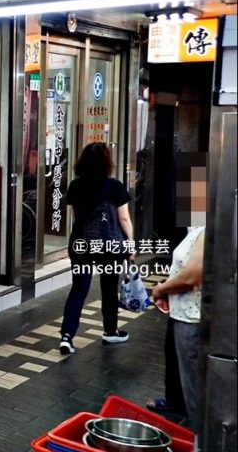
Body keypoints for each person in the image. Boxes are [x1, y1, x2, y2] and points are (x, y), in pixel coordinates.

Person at [58, 142, 134, 355]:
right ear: (107, 163)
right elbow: (124, 218)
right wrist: (130, 244)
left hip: (81, 243)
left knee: (78, 289)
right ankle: (110, 331)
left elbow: (76, 215)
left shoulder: (75, 186)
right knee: (109, 288)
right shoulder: (115, 187)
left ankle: (67, 336)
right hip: (108, 246)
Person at [149, 159, 207, 430]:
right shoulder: (194, 228)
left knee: (196, 391)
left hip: (194, 318)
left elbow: (192, 275)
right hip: (184, 312)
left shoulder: (207, 229)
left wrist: (161, 288)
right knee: (185, 374)